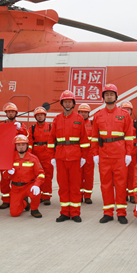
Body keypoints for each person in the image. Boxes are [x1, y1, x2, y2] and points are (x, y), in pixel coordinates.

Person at [91, 84, 133, 224]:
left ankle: (121, 213)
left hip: (120, 155)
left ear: (116, 96)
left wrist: (128, 154)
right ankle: (108, 213)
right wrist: (95, 154)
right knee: (105, 185)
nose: (109, 96)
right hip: (104, 155)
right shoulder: (98, 115)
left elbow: (129, 136)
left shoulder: (124, 114)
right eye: (106, 94)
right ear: (103, 97)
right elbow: (94, 137)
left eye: (111, 94)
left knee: (121, 185)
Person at [48, 91, 90, 222]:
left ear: (73, 104)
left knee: (75, 187)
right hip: (60, 157)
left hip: (75, 157)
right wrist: (52, 157)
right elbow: (51, 140)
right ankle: (65, 212)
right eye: (65, 102)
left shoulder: (79, 119)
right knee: (63, 187)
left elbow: (84, 140)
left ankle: (75, 213)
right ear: (62, 103)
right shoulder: (57, 119)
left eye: (69, 102)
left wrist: (84, 157)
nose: (67, 104)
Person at [2, 135, 45, 218]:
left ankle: (34, 209)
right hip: (16, 188)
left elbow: (41, 174)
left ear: (27, 145)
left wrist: (37, 185)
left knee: (36, 192)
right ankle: (25, 203)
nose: (21, 147)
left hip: (29, 185)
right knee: (14, 213)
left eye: (23, 144)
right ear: (15, 146)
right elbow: (4, 176)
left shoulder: (33, 158)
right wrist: (8, 173)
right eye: (18, 145)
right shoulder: (11, 158)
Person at [0, 102, 29, 210]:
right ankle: (6, 200)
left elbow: (27, 136)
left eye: (12, 112)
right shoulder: (2, 126)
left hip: (18, 155)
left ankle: (23, 198)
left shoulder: (21, 125)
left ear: (16, 113)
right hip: (5, 155)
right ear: (6, 113)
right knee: (4, 179)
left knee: (21, 177)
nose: (10, 113)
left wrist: (20, 129)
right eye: (9, 112)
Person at [29, 107, 54, 205]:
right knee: (36, 176)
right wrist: (29, 156)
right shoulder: (32, 128)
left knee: (48, 176)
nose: (40, 117)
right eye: (38, 115)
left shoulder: (50, 127)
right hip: (36, 155)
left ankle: (46, 196)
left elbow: (54, 141)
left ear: (45, 116)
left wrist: (54, 155)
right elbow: (30, 142)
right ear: (35, 117)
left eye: (42, 115)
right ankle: (38, 196)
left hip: (47, 155)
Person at [121, 100, 137, 204]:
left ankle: (132, 194)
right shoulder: (117, 123)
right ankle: (124, 194)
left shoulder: (135, 123)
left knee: (133, 175)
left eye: (128, 109)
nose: (126, 111)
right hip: (121, 153)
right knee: (121, 175)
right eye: (124, 109)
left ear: (131, 111)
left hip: (133, 154)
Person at [77, 103, 95, 204]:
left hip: (89, 153)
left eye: (85, 112)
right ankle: (79, 195)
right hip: (78, 152)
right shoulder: (75, 124)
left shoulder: (93, 124)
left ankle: (87, 195)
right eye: (81, 112)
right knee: (78, 175)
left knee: (89, 175)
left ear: (89, 113)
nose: (83, 114)